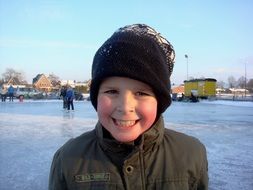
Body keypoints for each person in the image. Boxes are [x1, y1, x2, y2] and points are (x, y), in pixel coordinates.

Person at [49, 24, 208, 189]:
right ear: (96, 96)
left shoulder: (191, 154)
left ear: (159, 101)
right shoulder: (67, 159)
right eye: (112, 91)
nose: (125, 107)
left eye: (141, 93)